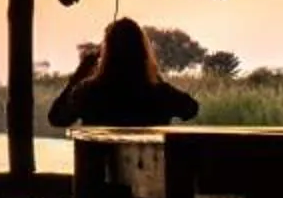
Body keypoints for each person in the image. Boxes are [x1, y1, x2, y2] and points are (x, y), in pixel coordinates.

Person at [47, 19, 201, 128]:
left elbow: (57, 118)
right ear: (142, 52)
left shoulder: (88, 93)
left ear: (107, 54)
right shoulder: (159, 94)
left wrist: (79, 74)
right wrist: (154, 75)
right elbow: (190, 109)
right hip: (150, 173)